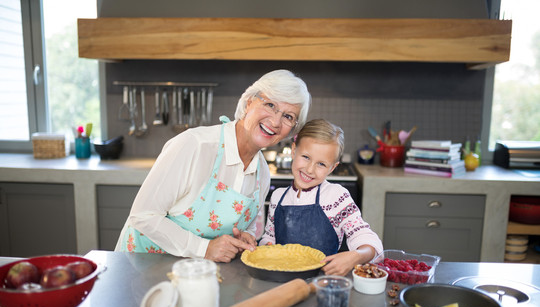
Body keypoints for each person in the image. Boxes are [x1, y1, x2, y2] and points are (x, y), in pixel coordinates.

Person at [115, 69, 311, 263]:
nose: (276, 121)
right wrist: (205, 249)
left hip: (197, 276)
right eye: (270, 104)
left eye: (288, 117)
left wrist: (242, 238)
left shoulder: (262, 173)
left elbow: (247, 228)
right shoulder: (195, 146)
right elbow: (143, 215)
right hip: (141, 268)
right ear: (249, 101)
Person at [259, 119, 383, 276]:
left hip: (323, 282)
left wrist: (356, 256)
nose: (310, 169)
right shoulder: (278, 198)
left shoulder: (336, 197)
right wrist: (266, 247)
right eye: (305, 157)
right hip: (282, 280)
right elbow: (269, 238)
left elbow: (369, 241)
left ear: (332, 168)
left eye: (321, 164)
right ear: (293, 150)